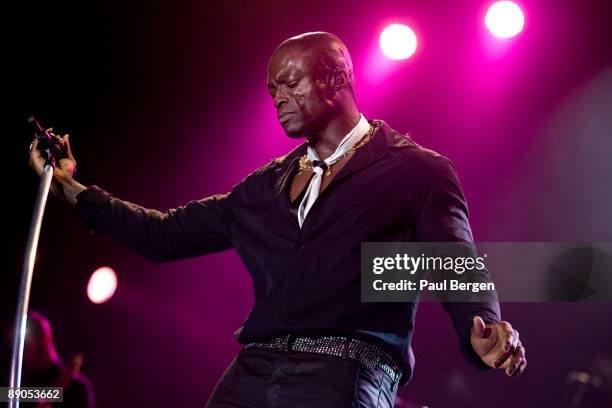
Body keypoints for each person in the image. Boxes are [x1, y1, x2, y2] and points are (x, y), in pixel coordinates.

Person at [29, 31, 526, 407]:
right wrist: (71, 187)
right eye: (272, 91)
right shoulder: (263, 188)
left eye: (290, 84)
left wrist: (484, 328)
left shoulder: (415, 170)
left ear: (336, 79)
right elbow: (164, 234)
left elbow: (454, 263)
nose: (278, 99)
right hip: (255, 367)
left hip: (346, 368)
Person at [16, 311, 95, 407]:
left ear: (41, 340)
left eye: (24, 344)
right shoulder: (17, 389)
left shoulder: (76, 387)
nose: (17, 351)